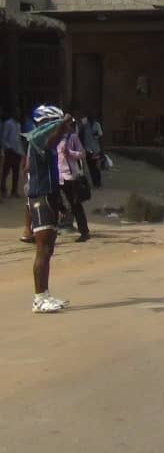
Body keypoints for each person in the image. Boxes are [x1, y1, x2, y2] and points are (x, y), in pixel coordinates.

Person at [22, 105, 72, 313]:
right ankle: (39, 298)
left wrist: (59, 201)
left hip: (48, 196)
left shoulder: (47, 146)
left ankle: (45, 295)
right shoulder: (39, 140)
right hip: (40, 198)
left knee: (48, 249)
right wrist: (62, 127)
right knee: (42, 250)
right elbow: (52, 138)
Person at [56, 117, 91, 242]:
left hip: (70, 176)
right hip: (56, 175)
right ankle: (54, 229)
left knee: (75, 204)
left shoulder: (73, 137)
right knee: (55, 202)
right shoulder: (54, 137)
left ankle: (84, 231)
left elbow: (82, 153)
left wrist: (69, 152)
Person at [2, 107, 24, 197]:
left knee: (16, 171)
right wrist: (8, 148)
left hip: (17, 151)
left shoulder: (18, 125)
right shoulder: (8, 123)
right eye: (16, 112)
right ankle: (2, 187)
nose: (18, 114)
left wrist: (21, 151)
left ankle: (14, 190)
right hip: (10, 151)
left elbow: (18, 139)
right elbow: (4, 138)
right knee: (6, 170)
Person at [79, 112, 103, 188]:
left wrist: (101, 150)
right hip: (88, 149)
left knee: (96, 167)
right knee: (91, 167)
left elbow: (100, 135)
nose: (91, 120)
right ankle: (94, 182)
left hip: (96, 150)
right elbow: (80, 135)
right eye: (90, 119)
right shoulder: (85, 126)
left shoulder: (97, 125)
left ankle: (98, 182)